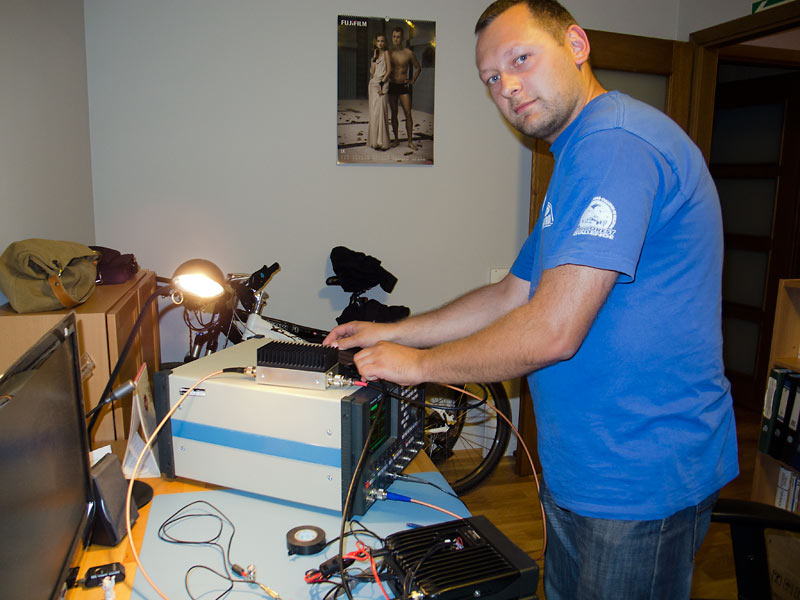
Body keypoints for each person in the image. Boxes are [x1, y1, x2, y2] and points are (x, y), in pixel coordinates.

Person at [324, 1, 739, 598]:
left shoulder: (615, 145)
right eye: (492, 78)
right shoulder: (577, 156)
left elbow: (551, 331)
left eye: (521, 58)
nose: (508, 87)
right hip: (583, 466)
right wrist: (395, 332)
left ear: (576, 44)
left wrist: (418, 366)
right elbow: (511, 292)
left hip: (639, 474)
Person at [387, 26, 421, 150]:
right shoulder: (388, 53)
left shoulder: (408, 53)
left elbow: (418, 67)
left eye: (398, 37)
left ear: (402, 38)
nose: (395, 39)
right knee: (394, 113)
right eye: (394, 37)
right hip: (392, 85)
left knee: (408, 113)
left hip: (403, 86)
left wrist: (412, 81)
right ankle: (396, 140)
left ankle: (410, 141)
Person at [367, 34, 391, 151]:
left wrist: (382, 83)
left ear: (384, 42)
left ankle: (382, 142)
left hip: (383, 83)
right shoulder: (374, 57)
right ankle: (375, 142)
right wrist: (374, 57)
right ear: (375, 42)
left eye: (382, 41)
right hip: (373, 85)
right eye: (378, 41)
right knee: (374, 113)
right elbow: (372, 73)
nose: (380, 43)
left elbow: (389, 70)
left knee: (382, 111)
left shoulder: (386, 53)